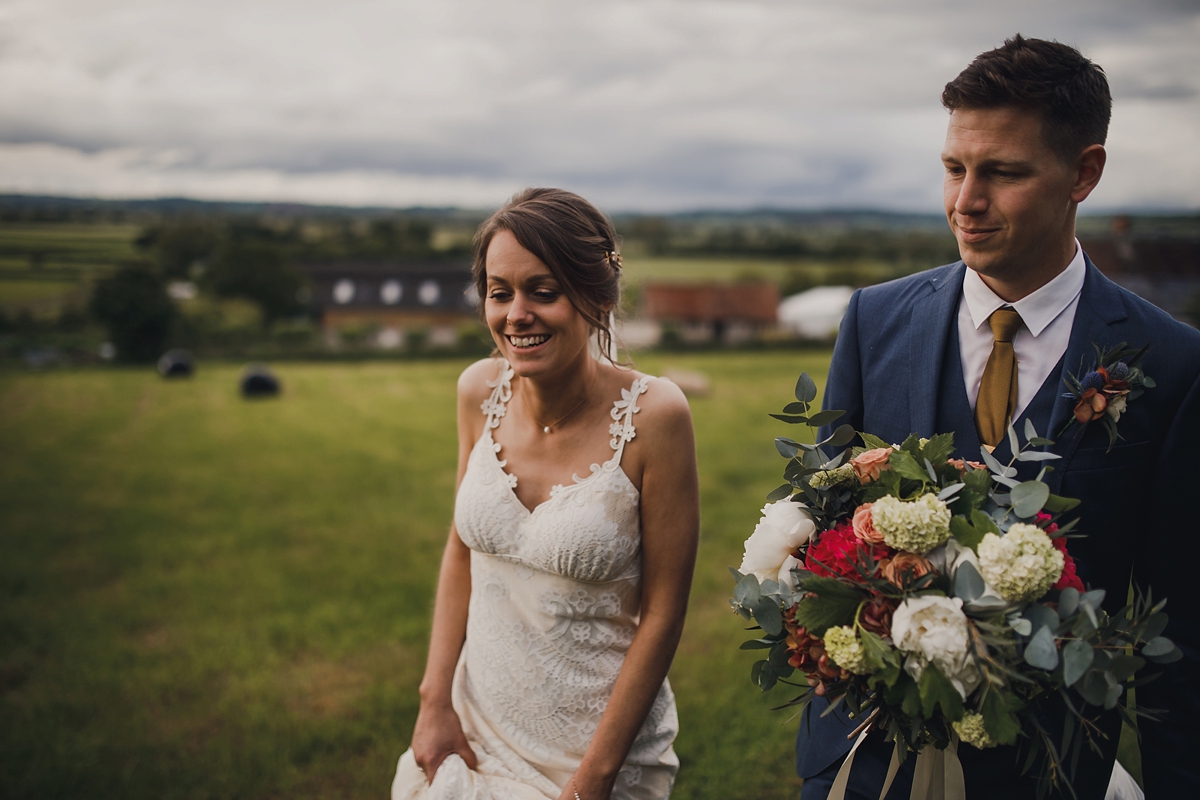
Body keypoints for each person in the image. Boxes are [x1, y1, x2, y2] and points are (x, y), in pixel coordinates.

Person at [795, 35, 1200, 799]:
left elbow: (1180, 634)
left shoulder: (1174, 366)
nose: (965, 202)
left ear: (1085, 172)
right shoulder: (874, 320)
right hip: (862, 765)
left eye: (1002, 174)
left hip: (1049, 773)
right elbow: (821, 545)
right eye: (954, 169)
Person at [392, 188, 700, 800]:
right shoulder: (478, 391)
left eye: (544, 291)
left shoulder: (656, 416)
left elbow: (664, 612)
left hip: (593, 750)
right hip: (474, 729)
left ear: (599, 298)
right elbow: (462, 551)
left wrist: (595, 778)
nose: (516, 314)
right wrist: (433, 702)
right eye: (500, 292)